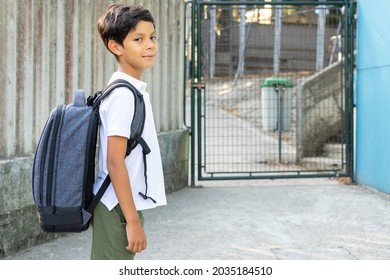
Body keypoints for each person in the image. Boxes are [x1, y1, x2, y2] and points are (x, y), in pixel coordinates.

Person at [91, 3, 167, 260]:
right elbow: (114, 160)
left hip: (122, 204)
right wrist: (132, 222)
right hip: (117, 207)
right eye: (138, 39)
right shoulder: (123, 95)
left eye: (152, 37)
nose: (150, 45)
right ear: (116, 47)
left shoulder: (130, 90)